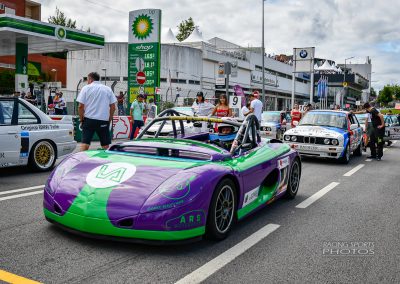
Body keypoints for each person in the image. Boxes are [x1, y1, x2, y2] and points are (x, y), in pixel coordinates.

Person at [77, 72, 117, 151]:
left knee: (85, 144)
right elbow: (113, 107)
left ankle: (81, 161)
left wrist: (81, 119)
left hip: (89, 120)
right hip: (103, 120)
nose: (87, 81)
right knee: (105, 146)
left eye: (87, 80)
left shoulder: (86, 88)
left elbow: (80, 106)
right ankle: (106, 162)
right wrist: (109, 119)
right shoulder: (107, 89)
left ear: (90, 79)